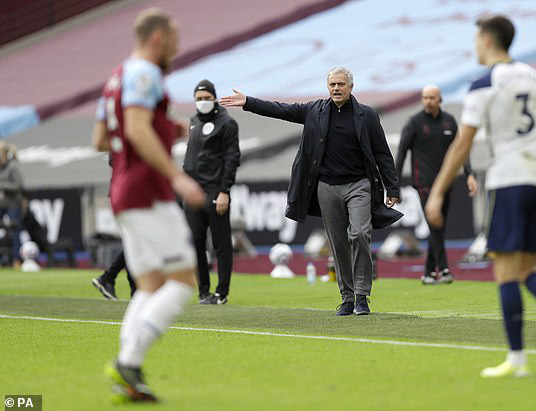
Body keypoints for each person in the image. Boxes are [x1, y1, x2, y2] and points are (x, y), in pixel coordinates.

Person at [425, 15, 536, 377]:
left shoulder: (483, 84)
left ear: (486, 39)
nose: (475, 44)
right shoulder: (535, 77)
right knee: (526, 268)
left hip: (508, 180)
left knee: (504, 270)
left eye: (477, 37)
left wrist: (437, 193)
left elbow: (462, 144)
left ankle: (517, 360)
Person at [220, 67, 402, 316]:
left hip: (359, 185)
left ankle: (362, 296)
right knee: (337, 243)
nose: (336, 89)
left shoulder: (367, 115)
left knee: (359, 234)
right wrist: (248, 102)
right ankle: (347, 298)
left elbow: (382, 153)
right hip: (326, 187)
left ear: (351, 87)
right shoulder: (315, 111)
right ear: (327, 88)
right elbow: (281, 110)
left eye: (340, 84)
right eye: (332, 85)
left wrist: (392, 187)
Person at [92, 8, 205, 402]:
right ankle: (129, 362)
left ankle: (127, 371)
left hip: (122, 188)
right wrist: (178, 177)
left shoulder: (116, 77)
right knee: (181, 281)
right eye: (174, 38)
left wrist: (164, 127)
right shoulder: (145, 73)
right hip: (147, 190)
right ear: (157, 38)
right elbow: (137, 129)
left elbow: (101, 139)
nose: (177, 46)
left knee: (151, 284)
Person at [395, 85, 478, 285]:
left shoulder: (449, 121)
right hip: (423, 182)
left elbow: (461, 150)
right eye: (425, 97)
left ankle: (429, 272)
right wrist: (394, 184)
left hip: (446, 182)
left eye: (432, 97)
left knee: (438, 227)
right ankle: (444, 269)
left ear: (440, 99)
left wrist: (469, 174)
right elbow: (401, 154)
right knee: (436, 224)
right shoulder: (414, 122)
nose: (428, 101)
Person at [183, 79, 240, 305]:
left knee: (221, 243)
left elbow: (232, 158)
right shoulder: (194, 121)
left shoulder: (226, 123)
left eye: (207, 98)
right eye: (199, 99)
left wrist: (224, 190)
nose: (203, 102)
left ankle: (221, 292)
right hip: (193, 192)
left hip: (215, 190)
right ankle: (203, 291)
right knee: (195, 242)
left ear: (214, 98)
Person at [0, 141, 24, 267]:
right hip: (1, 204)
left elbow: (18, 185)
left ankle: (16, 260)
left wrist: (3, 185)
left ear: (4, 153)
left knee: (15, 231)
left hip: (13, 204)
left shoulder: (13, 166)